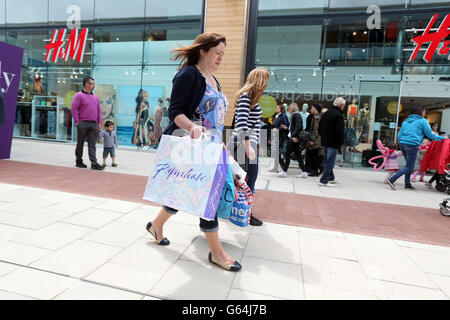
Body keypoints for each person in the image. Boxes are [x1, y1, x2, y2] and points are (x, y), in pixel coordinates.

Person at [145, 32, 243, 272]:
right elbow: (176, 112)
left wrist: (221, 145)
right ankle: (217, 253)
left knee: (184, 192)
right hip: (192, 146)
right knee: (206, 198)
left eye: (223, 54)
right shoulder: (189, 75)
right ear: (203, 50)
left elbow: (215, 120)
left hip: (211, 147)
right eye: (217, 53)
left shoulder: (213, 80)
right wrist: (192, 127)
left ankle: (156, 225)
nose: (221, 58)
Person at [230, 67, 270, 227]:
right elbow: (241, 123)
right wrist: (248, 146)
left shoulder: (250, 99)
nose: (266, 84)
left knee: (243, 179)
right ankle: (246, 213)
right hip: (243, 145)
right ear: (260, 81)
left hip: (245, 144)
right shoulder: (246, 98)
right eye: (265, 80)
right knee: (246, 180)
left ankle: (241, 211)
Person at [386, 106, 446, 190]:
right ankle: (391, 180)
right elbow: (430, 134)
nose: (424, 112)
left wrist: (400, 143)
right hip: (412, 144)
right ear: (421, 112)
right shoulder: (423, 121)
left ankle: (407, 183)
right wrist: (443, 138)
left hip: (403, 143)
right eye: (424, 111)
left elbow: (399, 134)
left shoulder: (406, 121)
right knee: (410, 166)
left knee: (408, 165)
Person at [72, 76, 104, 170]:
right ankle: (79, 161)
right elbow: (74, 109)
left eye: (94, 83)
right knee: (80, 143)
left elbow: (98, 111)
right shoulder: (78, 95)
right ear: (86, 84)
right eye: (92, 83)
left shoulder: (95, 97)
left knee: (92, 144)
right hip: (83, 123)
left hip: (94, 124)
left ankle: (94, 163)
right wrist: (77, 122)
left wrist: (100, 123)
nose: (93, 85)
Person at [318, 97, 345, 186]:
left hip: (325, 141)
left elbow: (319, 128)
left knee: (327, 160)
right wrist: (340, 143)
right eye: (344, 105)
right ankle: (323, 180)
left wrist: (323, 136)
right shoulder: (339, 115)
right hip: (333, 142)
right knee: (330, 162)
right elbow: (340, 131)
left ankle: (331, 177)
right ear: (341, 105)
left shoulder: (326, 113)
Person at [278, 103, 306, 178]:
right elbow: (294, 127)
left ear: (292, 108)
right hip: (294, 138)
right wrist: (287, 128)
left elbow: (298, 126)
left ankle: (284, 171)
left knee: (288, 154)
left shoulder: (296, 115)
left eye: (289, 108)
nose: (288, 110)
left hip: (294, 138)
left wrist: (294, 136)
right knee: (298, 155)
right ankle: (304, 171)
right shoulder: (295, 115)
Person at [305, 104, 322, 177]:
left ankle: (315, 171)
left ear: (315, 108)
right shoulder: (319, 116)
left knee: (314, 155)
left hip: (315, 140)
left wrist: (312, 140)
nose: (310, 109)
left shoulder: (316, 117)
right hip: (318, 139)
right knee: (315, 155)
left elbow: (315, 130)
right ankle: (316, 170)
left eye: (312, 108)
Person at [271, 104, 290, 170]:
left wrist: (278, 129)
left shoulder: (283, 116)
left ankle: (283, 166)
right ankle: (276, 167)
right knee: (276, 152)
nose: (276, 108)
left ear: (281, 109)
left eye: (277, 107)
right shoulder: (276, 116)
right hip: (276, 135)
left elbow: (285, 126)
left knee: (278, 152)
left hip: (281, 136)